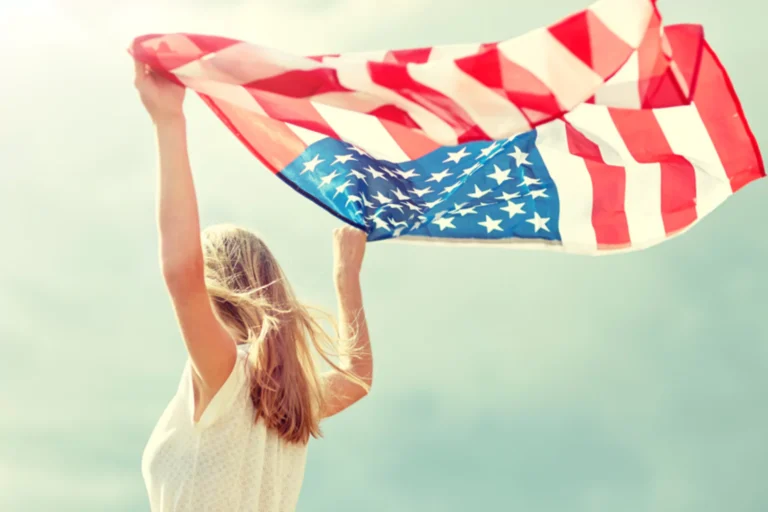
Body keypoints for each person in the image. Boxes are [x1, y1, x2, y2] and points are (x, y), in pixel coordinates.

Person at [132, 59, 374, 511]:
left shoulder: (224, 371)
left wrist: (169, 120)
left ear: (217, 286)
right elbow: (357, 378)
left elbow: (181, 275)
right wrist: (347, 278)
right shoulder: (290, 402)